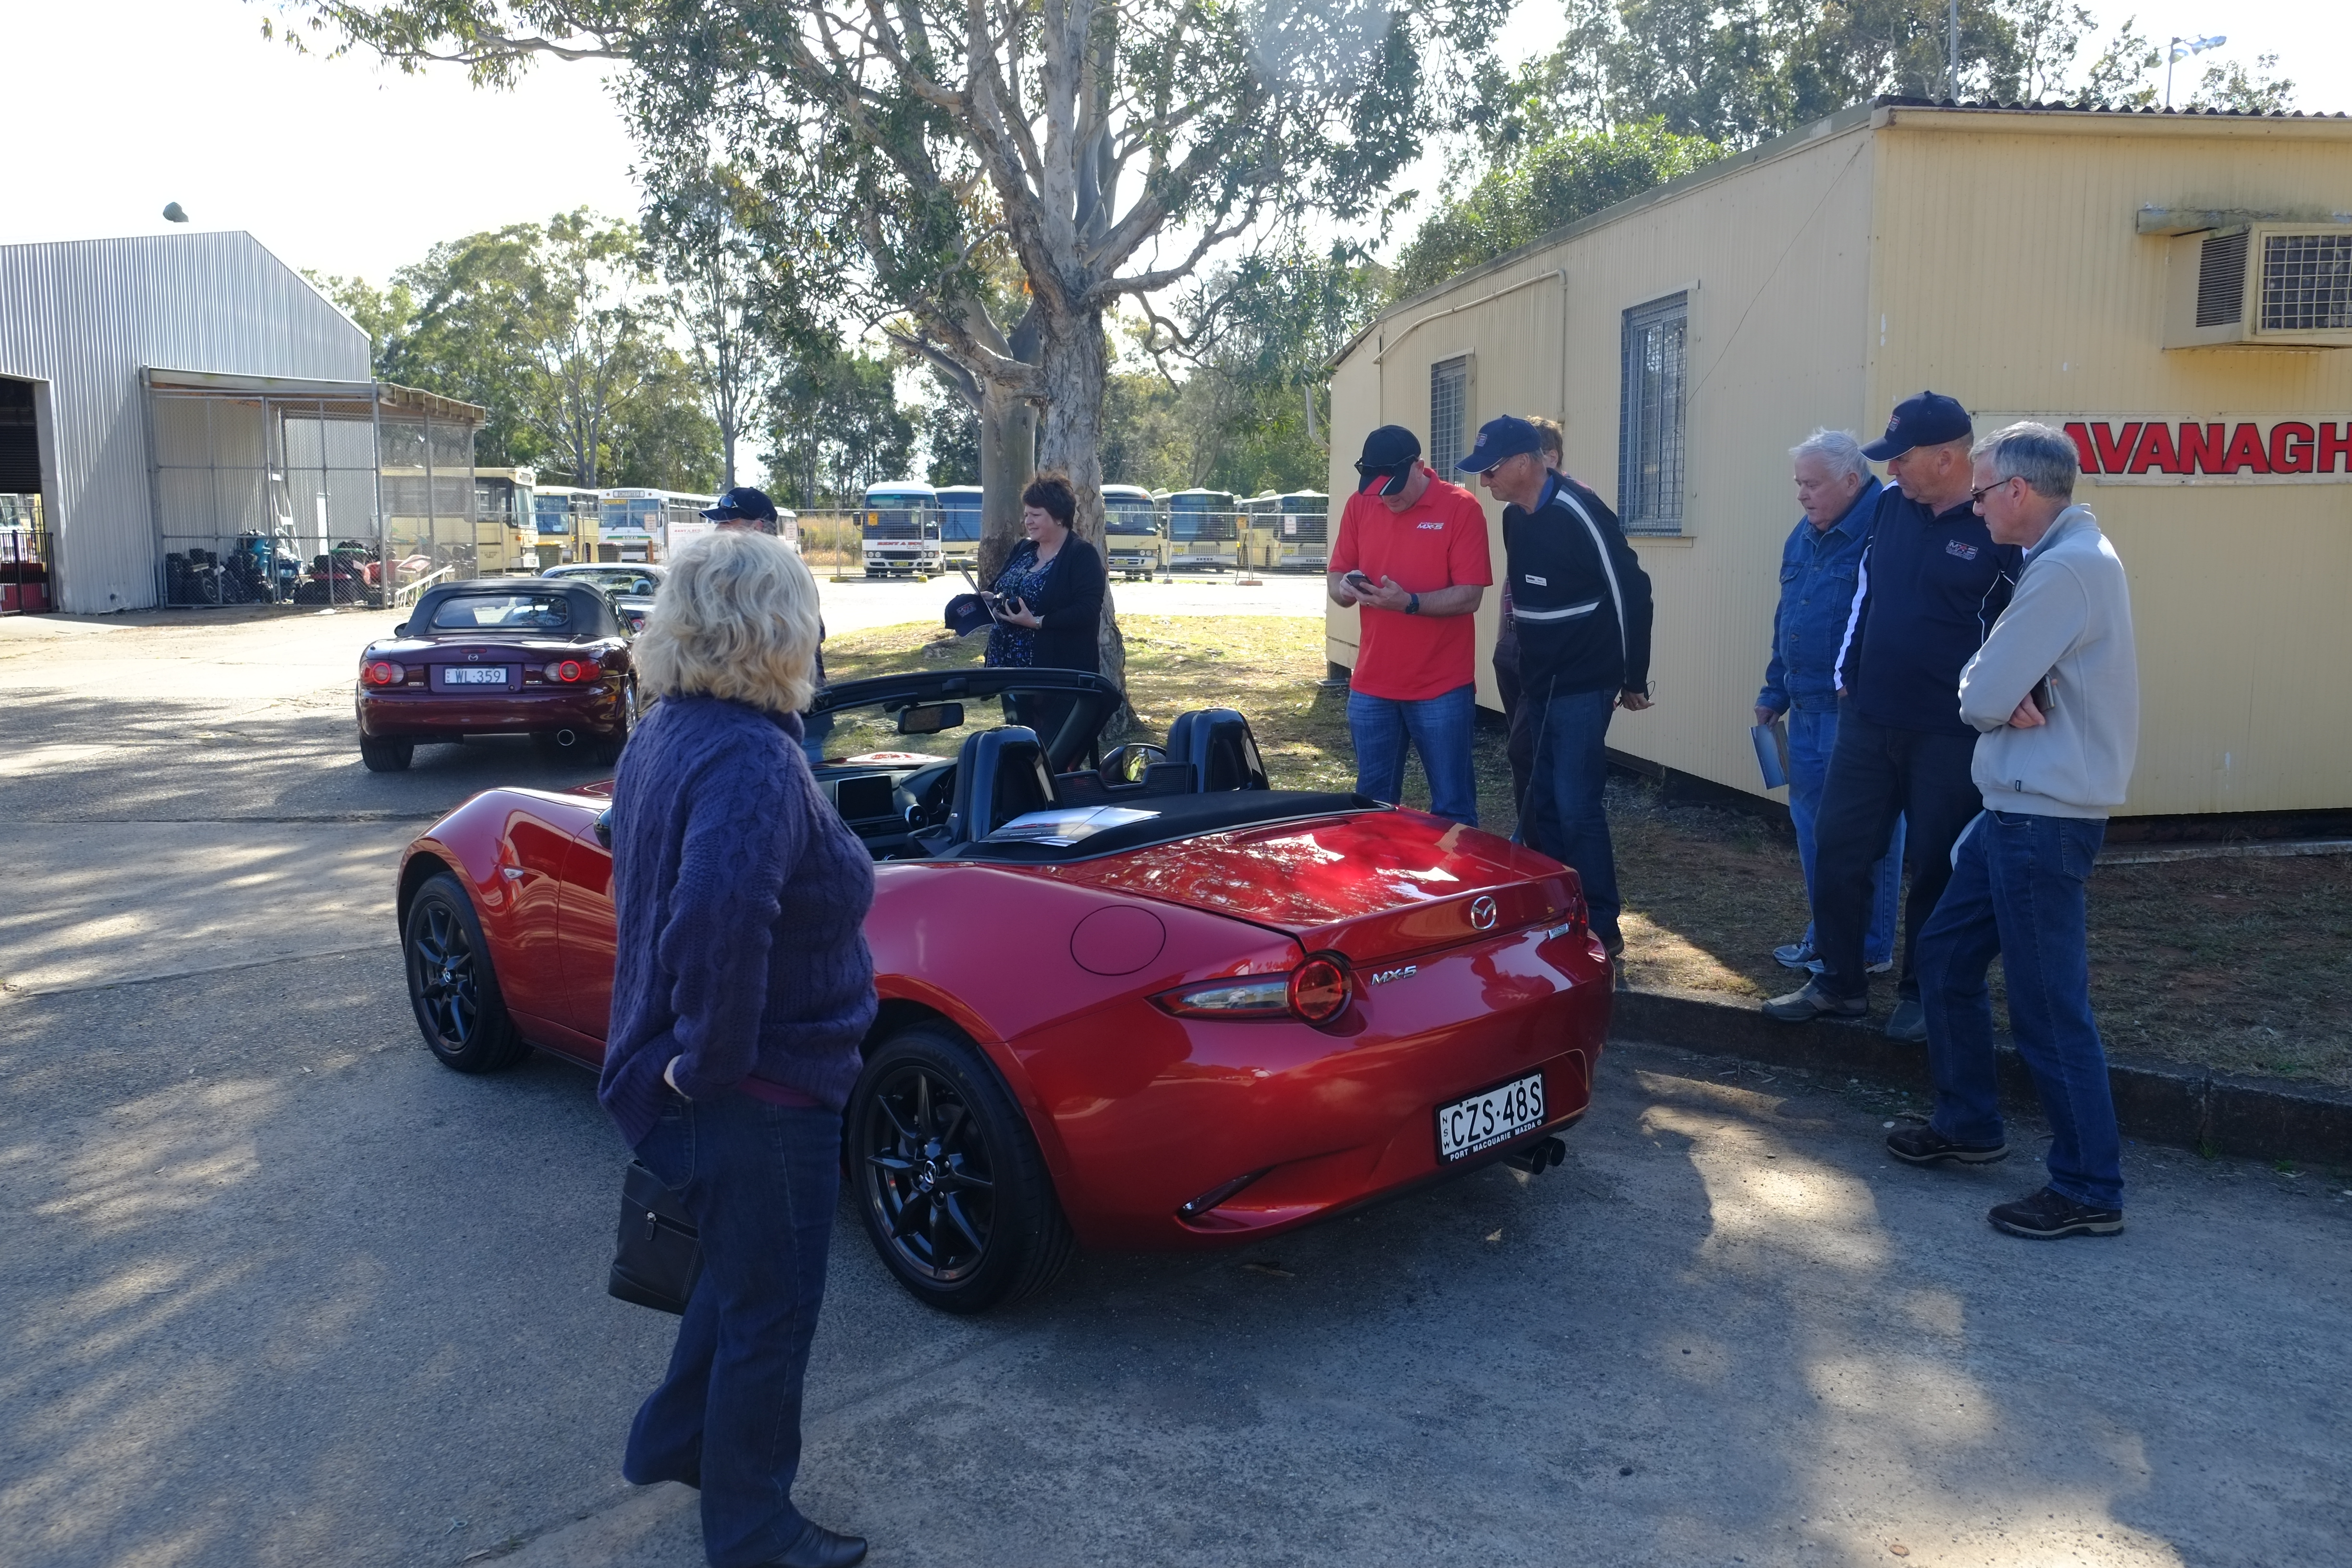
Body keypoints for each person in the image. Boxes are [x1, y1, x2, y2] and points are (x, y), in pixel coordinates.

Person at [599, 529, 876, 1568]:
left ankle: (675, 1440)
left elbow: (649, 854)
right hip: (762, 1090)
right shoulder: (757, 757)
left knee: (735, 1274)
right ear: (777, 629)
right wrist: (708, 1063)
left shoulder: (669, 728)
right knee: (774, 1310)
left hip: (714, 1084)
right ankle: (755, 1531)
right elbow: (718, 912)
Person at [1890, 422, 2139, 1240]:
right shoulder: (2063, 560)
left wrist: (1994, 685)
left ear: (2020, 492)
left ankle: (2088, 1184)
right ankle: (1968, 1122)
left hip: (2043, 816)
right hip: (2018, 811)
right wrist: (1994, 682)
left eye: (1985, 489)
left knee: (2046, 1004)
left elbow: (1980, 690)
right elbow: (1990, 678)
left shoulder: (2066, 567)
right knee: (1946, 953)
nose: (1976, 503)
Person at [1764, 392, 2021, 1040]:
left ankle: (1923, 993)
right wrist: (1848, 672)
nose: (1893, 471)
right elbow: (1866, 594)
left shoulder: (1995, 524)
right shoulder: (1892, 510)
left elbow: (2018, 624)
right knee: (1840, 849)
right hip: (1869, 717)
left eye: (1902, 459)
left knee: (1935, 866)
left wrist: (2010, 696)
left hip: (1949, 730)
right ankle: (1840, 984)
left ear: (1947, 456)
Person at [1457, 415, 1654, 959]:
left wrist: (1632, 677)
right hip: (1537, 681)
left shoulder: (1580, 512)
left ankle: (1602, 925)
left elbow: (1632, 594)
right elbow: (1525, 599)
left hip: (1585, 682)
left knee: (1574, 802)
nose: (1485, 483)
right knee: (1536, 792)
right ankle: (1556, 908)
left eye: (1491, 471)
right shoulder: (1515, 518)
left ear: (1525, 462)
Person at [1753, 429, 1904, 978]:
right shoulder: (1804, 534)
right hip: (1805, 706)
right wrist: (1774, 691)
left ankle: (1866, 945)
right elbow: (1787, 616)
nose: (1802, 494)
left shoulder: (1887, 528)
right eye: (1798, 483)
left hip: (1857, 715)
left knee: (1866, 835)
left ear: (1850, 480)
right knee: (1814, 829)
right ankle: (1828, 938)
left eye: (1811, 484)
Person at [1328, 425, 1493, 826]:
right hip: (1372, 685)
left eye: (1396, 486)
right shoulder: (1359, 505)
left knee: (1452, 808)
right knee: (1371, 806)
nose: (1388, 497)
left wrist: (1411, 603)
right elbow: (1335, 579)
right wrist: (1348, 590)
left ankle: (1459, 886)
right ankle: (1375, 885)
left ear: (1420, 467)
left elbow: (1471, 594)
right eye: (1379, 489)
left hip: (1441, 686)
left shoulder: (1461, 507)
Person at [704, 486, 830, 763]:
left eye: (728, 522)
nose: (718, 530)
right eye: (718, 522)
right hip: (753, 716)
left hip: (794, 711)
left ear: (757, 527)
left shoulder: (782, 570)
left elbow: (810, 633)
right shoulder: (733, 569)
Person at [984, 472, 1106, 747]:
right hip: (1011, 672)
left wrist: (1038, 622)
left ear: (1059, 517)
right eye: (1026, 514)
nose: (1028, 521)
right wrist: (987, 597)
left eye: (1036, 515)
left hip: (1055, 675)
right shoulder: (1023, 549)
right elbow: (1000, 586)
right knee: (1020, 745)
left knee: (1052, 752)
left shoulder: (1081, 555)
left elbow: (1087, 610)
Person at [1493, 417, 1568, 846]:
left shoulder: (1572, 507)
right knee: (1523, 751)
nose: (1491, 476)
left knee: (1528, 748)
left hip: (1552, 657)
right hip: (1514, 644)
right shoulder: (1515, 514)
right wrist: (1503, 639)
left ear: (1547, 458)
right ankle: (1531, 831)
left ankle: (1537, 841)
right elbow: (1515, 582)